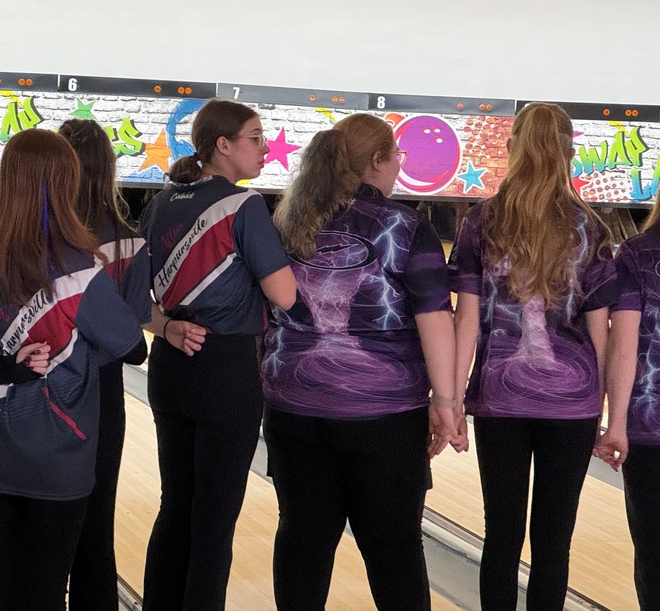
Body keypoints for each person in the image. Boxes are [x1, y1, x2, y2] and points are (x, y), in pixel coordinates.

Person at [0, 127, 147, 611]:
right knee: (45, 593)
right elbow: (135, 349)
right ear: (66, 184)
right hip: (60, 451)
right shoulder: (80, 272)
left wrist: (12, 367)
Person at [260, 114, 456, 611]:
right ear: (377, 162)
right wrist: (447, 402)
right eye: (397, 159)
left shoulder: (284, 222)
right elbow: (435, 320)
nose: (397, 169)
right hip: (385, 422)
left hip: (293, 413)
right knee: (394, 553)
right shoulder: (409, 227)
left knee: (302, 543)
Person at [451, 102, 615, 611]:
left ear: (511, 148)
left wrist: (451, 399)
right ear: (569, 152)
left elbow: (466, 323)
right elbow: (602, 332)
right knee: (554, 539)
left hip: (500, 400)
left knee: (501, 533)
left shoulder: (481, 220)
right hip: (574, 405)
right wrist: (612, 414)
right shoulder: (591, 227)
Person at [138, 99, 297, 611]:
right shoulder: (245, 207)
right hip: (226, 370)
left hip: (169, 365)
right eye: (256, 137)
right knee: (213, 520)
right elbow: (286, 295)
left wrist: (164, 327)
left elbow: (136, 297)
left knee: (175, 508)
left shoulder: (160, 202)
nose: (265, 147)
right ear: (222, 145)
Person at [58, 119, 152, 611]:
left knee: (47, 523)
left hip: (42, 389)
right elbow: (133, 330)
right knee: (97, 522)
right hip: (102, 392)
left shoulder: (37, 238)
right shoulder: (131, 242)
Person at [596, 195, 660, 609]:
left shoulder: (637, 253)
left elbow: (623, 341)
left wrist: (615, 422)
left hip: (648, 424)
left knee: (654, 552)